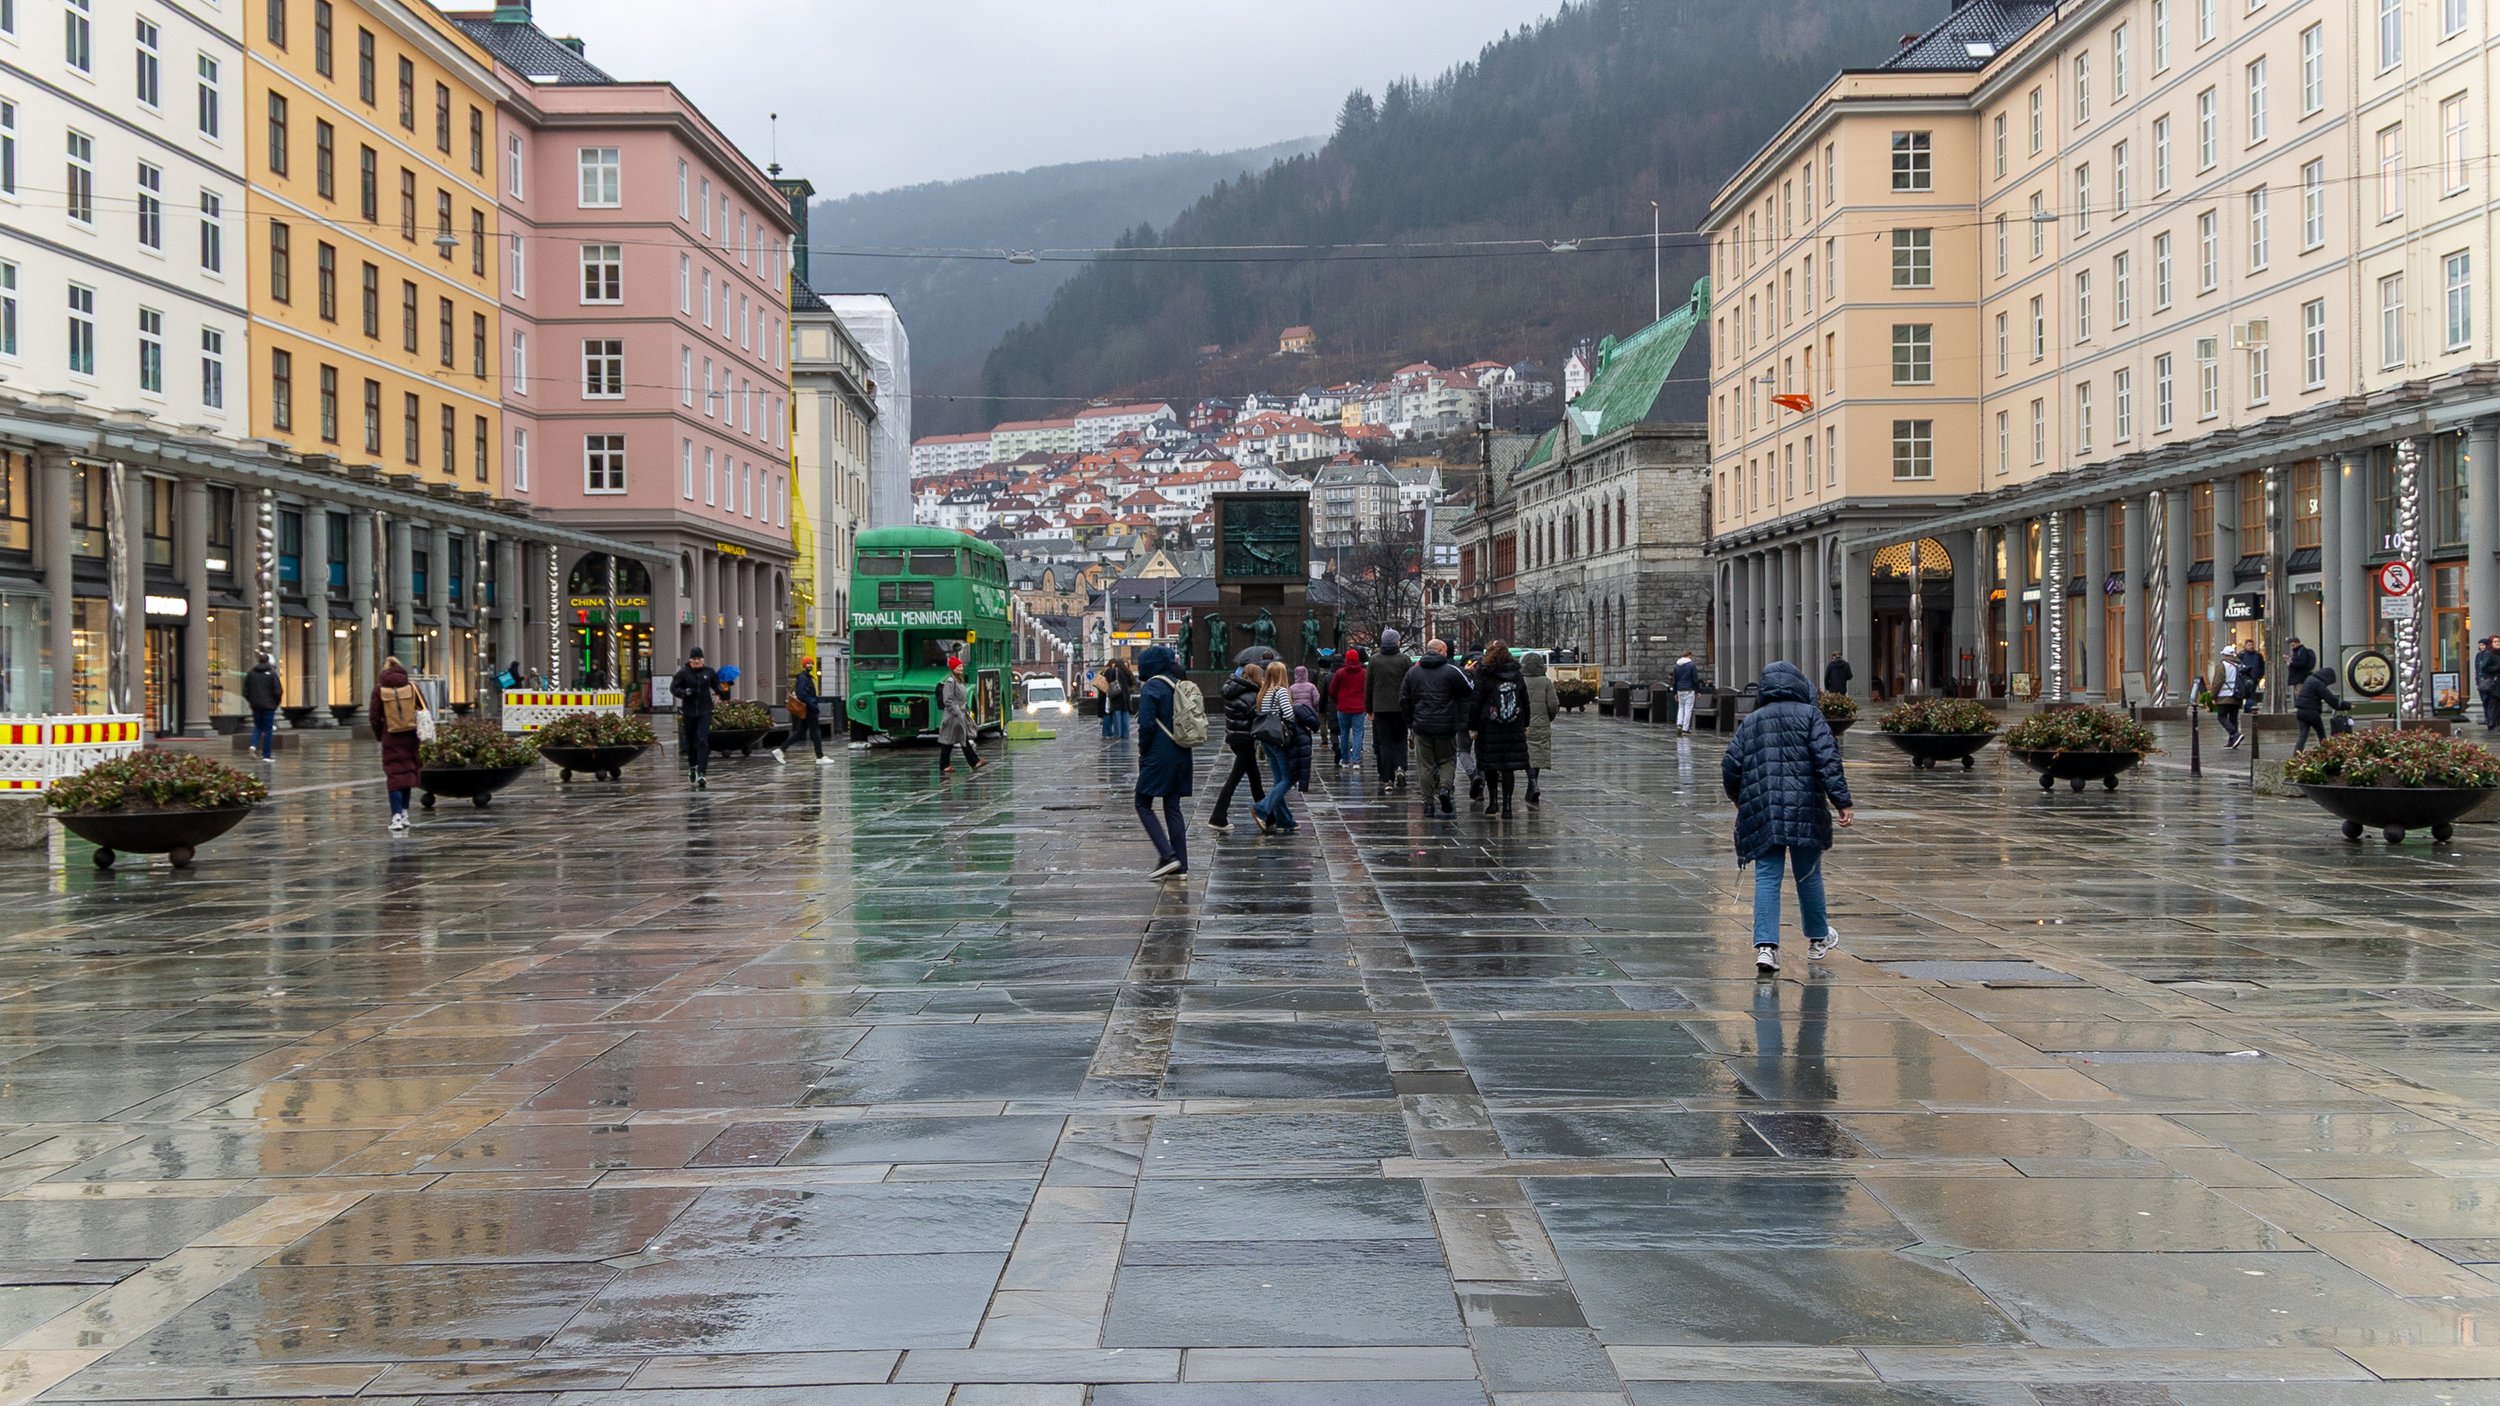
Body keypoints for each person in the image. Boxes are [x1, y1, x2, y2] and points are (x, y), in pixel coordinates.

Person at [1722, 660, 1854, 974]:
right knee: (1808, 875)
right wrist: (1842, 803)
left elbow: (1730, 765)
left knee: (1767, 877)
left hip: (1763, 809)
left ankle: (1766, 948)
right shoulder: (1811, 716)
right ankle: (1818, 938)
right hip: (1804, 809)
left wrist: (1741, 799)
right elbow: (1828, 762)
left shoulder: (1752, 721)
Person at [1133, 645, 1196, 879]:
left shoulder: (1152, 687)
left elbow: (1147, 725)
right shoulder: (1179, 684)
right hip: (1182, 751)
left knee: (1142, 802)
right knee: (1172, 806)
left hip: (1159, 754)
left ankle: (1167, 855)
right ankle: (1181, 864)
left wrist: (1143, 752)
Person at [1400, 637, 1474, 815]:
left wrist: (1411, 722)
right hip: (1446, 726)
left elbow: (1403, 699)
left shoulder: (1413, 673)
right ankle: (1444, 788)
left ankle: (1428, 804)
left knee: (1424, 765)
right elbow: (1469, 690)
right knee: (1447, 760)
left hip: (1422, 726)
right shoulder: (1451, 671)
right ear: (1441, 651)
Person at [1468, 642, 1532, 819]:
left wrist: (1472, 726)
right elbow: (1525, 700)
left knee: (1490, 765)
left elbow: (1476, 702)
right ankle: (1508, 807)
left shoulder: (1484, 672)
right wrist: (1525, 723)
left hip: (1489, 726)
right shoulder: (1516, 673)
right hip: (1513, 725)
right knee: (1508, 768)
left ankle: (1493, 802)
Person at [1251, 661, 1310, 834]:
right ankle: (1261, 808)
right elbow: (1289, 714)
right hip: (1279, 739)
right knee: (1288, 778)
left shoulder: (1263, 692)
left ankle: (1285, 820)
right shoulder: (1281, 691)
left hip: (1266, 738)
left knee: (1279, 779)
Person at [1206, 662, 1267, 832]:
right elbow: (1256, 715)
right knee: (1234, 779)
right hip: (1245, 739)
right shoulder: (1249, 694)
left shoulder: (1232, 690)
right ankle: (1217, 817)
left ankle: (1268, 816)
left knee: (1255, 778)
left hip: (1235, 738)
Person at [369, 656, 424, 834]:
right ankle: (405, 813)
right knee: (407, 773)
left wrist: (380, 734)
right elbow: (423, 710)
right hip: (410, 736)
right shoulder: (412, 686)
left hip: (390, 736)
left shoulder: (379, 689)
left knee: (394, 776)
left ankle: (396, 815)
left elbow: (374, 716)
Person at [1367, 629, 1414, 787]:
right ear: (1396, 642)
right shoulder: (1405, 659)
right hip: (1400, 707)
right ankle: (1400, 766)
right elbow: (1410, 685)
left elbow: (1369, 686)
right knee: (1400, 740)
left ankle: (1387, 778)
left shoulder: (1374, 660)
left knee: (1385, 743)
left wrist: (1369, 708)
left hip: (1380, 708)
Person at [669, 647, 720, 788]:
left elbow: (717, 686)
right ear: (690, 660)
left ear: (703, 660)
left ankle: (702, 773)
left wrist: (721, 691)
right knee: (691, 743)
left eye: (699, 659)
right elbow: (673, 688)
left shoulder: (709, 672)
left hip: (705, 711)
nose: (697, 662)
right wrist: (684, 692)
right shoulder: (683, 673)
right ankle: (692, 767)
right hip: (689, 711)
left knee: (703, 740)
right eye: (694, 659)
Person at [1521, 650, 1560, 806]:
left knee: (1527, 755)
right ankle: (1534, 783)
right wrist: (1549, 718)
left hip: (1523, 725)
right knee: (1537, 754)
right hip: (1541, 723)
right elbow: (1553, 704)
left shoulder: (1520, 680)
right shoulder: (1545, 682)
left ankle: (1531, 783)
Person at [935, 656, 983, 775]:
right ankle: (972, 762)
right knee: (952, 740)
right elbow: (948, 700)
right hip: (953, 716)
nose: (961, 668)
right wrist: (958, 712)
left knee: (956, 739)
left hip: (958, 714)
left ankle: (972, 762)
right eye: (958, 666)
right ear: (953, 668)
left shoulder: (959, 680)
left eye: (961, 666)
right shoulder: (951, 682)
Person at [2294, 665, 2350, 751]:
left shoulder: (2309, 679)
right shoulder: (2319, 684)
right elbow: (2331, 700)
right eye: (2329, 682)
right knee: (2321, 735)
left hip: (2301, 711)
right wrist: (2346, 705)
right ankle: (2326, 753)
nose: (2328, 684)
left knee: (2303, 736)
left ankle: (2297, 755)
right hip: (2312, 712)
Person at [1330, 648, 1368, 768]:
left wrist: (1338, 700)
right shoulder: (1363, 673)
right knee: (1357, 733)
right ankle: (1356, 760)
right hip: (1359, 708)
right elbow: (1367, 690)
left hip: (1343, 707)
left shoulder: (1340, 673)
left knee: (1344, 733)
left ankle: (1345, 759)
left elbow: (1332, 690)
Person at [242, 653, 282, 761]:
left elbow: (245, 691)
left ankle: (253, 745)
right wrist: (275, 704)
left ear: (258, 661)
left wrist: (251, 701)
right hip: (269, 706)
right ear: (268, 661)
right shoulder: (272, 674)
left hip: (256, 706)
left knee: (258, 726)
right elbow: (278, 691)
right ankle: (266, 755)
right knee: (268, 729)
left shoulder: (251, 674)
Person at [1288, 665, 1322, 791]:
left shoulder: (1291, 688)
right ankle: (1308, 752)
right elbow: (1317, 699)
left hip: (1295, 717)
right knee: (1307, 736)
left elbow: (1289, 700)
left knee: (1297, 737)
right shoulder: (1311, 686)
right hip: (1307, 715)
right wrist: (1312, 707)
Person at [792, 659, 828, 764]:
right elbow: (802, 694)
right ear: (803, 665)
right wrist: (812, 704)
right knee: (815, 731)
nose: (810, 665)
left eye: (812, 663)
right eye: (808, 663)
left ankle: (781, 749)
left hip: (809, 708)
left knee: (801, 732)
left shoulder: (807, 677)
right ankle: (820, 756)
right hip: (808, 708)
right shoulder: (803, 678)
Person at [2213, 650, 2245, 748]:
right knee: (2233, 718)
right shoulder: (2240, 665)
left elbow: (2218, 681)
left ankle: (2235, 734)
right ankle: (2232, 741)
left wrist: (2213, 695)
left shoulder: (2222, 665)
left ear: (2224, 655)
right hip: (2237, 696)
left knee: (2221, 717)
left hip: (2224, 696)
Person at [1672, 653, 1704, 734]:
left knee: (1681, 708)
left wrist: (1675, 692)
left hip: (1680, 690)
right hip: (1689, 689)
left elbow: (1674, 681)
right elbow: (1695, 679)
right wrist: (1698, 691)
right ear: (1689, 656)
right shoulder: (1691, 665)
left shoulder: (1676, 666)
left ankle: (1679, 724)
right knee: (1688, 709)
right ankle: (1685, 729)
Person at [1104, 660, 1134, 740]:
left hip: (1117, 695)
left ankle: (1118, 734)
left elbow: (1107, 678)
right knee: (1125, 716)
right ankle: (1125, 734)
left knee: (1117, 716)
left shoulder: (1114, 671)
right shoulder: (1127, 672)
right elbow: (1132, 682)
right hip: (1126, 697)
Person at [2477, 636, 2500, 730]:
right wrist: (2498, 667)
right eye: (2495, 642)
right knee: (2493, 702)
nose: (2498, 643)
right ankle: (2491, 723)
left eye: (2498, 641)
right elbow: (2484, 667)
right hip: (2494, 683)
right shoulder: (2489, 654)